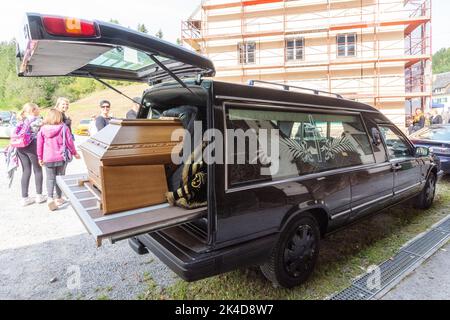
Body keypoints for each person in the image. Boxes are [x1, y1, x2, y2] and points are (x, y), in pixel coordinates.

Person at [37, 109, 80, 211]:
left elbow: (39, 145)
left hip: (48, 158)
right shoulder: (64, 128)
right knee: (60, 178)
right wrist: (75, 153)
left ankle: (50, 198)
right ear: (59, 117)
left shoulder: (42, 129)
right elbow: (70, 142)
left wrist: (39, 157)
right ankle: (59, 198)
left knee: (50, 178)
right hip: (61, 157)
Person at [15, 103, 45, 206]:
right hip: (32, 145)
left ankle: (24, 198)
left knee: (26, 171)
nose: (39, 109)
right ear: (33, 110)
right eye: (37, 108)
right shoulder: (37, 120)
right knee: (37, 170)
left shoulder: (21, 120)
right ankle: (39, 196)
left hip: (20, 146)